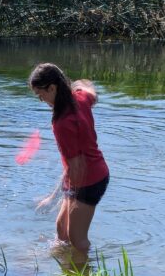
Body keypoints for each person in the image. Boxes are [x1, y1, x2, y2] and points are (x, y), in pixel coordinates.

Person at [28, 63, 110, 265]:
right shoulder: (80, 98)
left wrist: (53, 197)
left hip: (90, 180)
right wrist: (77, 87)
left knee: (77, 239)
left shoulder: (62, 123)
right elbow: (90, 88)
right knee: (61, 230)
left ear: (52, 88)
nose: (41, 100)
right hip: (90, 172)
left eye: (41, 95)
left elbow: (76, 166)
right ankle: (64, 268)